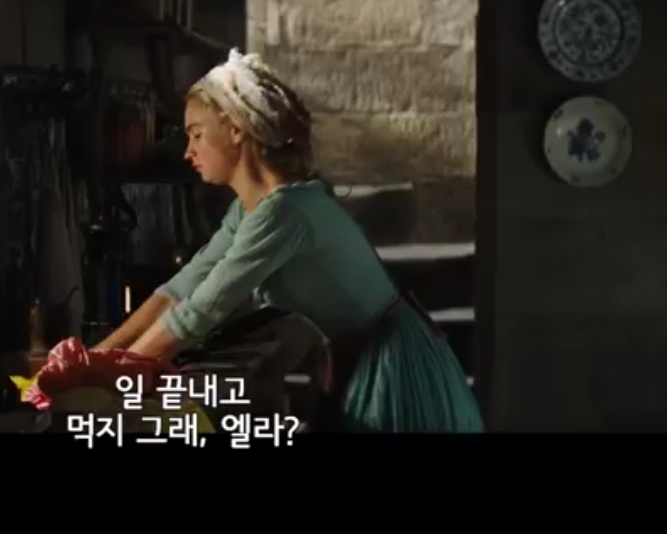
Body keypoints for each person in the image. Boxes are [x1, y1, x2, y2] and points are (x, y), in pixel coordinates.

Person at [95, 49, 483, 433]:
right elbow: (180, 289)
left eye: (197, 134)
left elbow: (200, 311)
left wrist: (114, 377)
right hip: (361, 356)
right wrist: (97, 359)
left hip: (392, 368)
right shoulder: (253, 209)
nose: (187, 151)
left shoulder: (285, 211)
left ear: (236, 130)